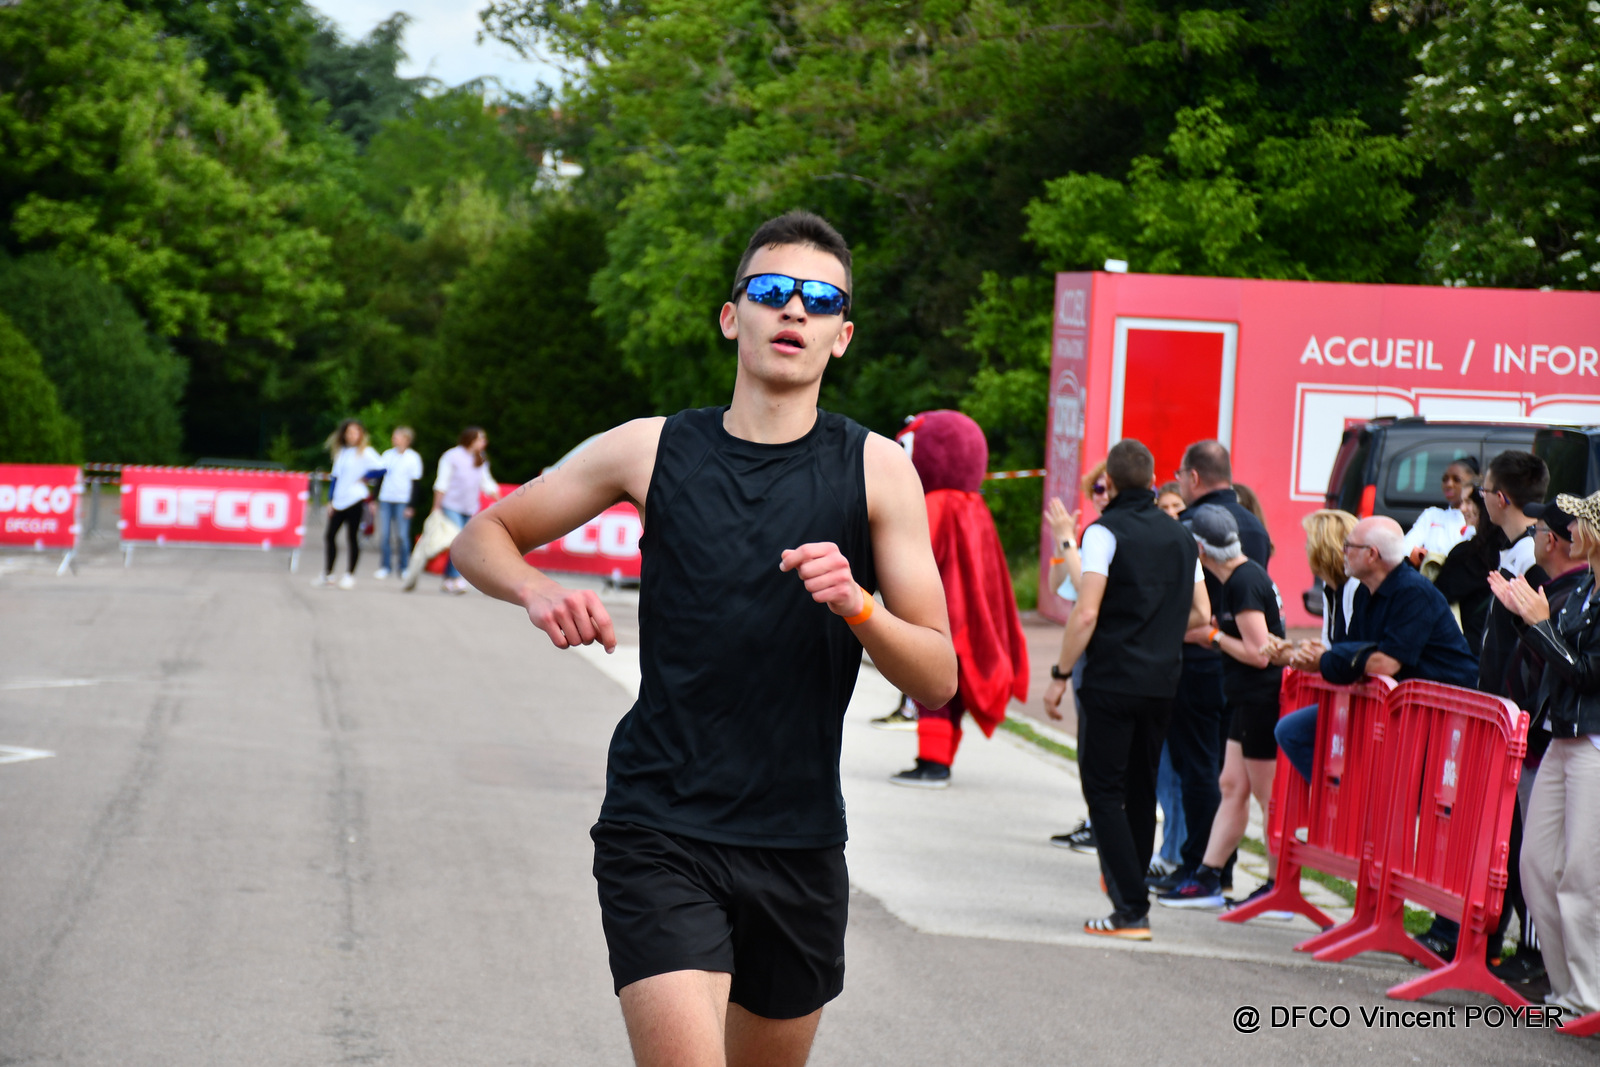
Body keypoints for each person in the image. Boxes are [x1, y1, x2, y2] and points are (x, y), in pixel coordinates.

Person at [448, 211, 957, 1066]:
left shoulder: (877, 470)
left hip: (797, 841)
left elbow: (939, 676)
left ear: (842, 336)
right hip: (660, 824)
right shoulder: (650, 449)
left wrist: (859, 605)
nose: (794, 309)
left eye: (820, 299)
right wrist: (538, 588)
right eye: (772, 290)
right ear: (732, 316)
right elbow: (482, 536)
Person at [1042, 438, 1209, 940]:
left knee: (1103, 791)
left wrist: (1060, 675)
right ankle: (1132, 895)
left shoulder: (1103, 531)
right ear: (1155, 480)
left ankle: (1130, 908)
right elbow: (1201, 613)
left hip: (1111, 679)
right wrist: (1156, 627)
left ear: (1109, 483)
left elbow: (1086, 611)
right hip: (1162, 682)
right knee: (1140, 790)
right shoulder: (1182, 536)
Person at [1488, 490, 1600, 1024]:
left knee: (1581, 875)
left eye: (1579, 522)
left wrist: (1538, 624)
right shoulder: (1582, 588)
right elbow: (1558, 660)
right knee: (1535, 866)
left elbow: (1587, 673)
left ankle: (1588, 997)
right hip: (1561, 737)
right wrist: (1523, 618)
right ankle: (1566, 991)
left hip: (1593, 743)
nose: (1567, 530)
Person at [1147, 440, 1272, 898]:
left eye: (1181, 475)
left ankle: (1197, 867)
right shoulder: (1253, 525)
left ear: (1194, 477)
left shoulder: (1188, 526)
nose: (1179, 483)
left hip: (1197, 660)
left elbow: (1167, 595)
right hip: (1238, 673)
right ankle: (1218, 867)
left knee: (1197, 770)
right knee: (1226, 776)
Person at [887, 410, 1028, 788]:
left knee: (931, 690)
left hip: (942, 615)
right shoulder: (974, 506)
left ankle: (933, 763)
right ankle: (940, 758)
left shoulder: (933, 505)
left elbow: (914, 556)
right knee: (954, 693)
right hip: (973, 617)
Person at [1160, 506, 1286, 910]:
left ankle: (1278, 888)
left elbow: (1260, 654)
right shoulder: (1239, 578)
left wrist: (1212, 636)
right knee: (1231, 786)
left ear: (1200, 549)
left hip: (1261, 700)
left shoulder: (1244, 581)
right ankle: (1208, 878)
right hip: (1245, 700)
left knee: (1269, 799)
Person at [1317, 515, 1477, 689]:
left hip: (1448, 701)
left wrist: (1323, 660)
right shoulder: (1365, 590)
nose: (1343, 551)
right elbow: (1351, 648)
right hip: (1409, 700)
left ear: (1371, 554)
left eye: (1348, 546)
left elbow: (1386, 664)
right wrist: (1319, 654)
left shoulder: (1413, 592)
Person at [1042, 460, 1110, 853]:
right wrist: (1061, 543)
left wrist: (1068, 541)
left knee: (1101, 747)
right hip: (1087, 654)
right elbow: (1060, 584)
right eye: (1096, 489)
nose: (1100, 496)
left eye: (1106, 488)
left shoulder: (1107, 536)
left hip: (1103, 654)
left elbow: (1085, 588)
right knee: (1089, 744)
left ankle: (1103, 826)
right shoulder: (1092, 533)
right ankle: (1095, 819)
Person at [1266, 509, 1359, 783]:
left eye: (1309, 542)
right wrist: (1293, 653)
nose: (1306, 548)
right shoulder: (1332, 588)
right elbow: (1330, 649)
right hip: (1347, 694)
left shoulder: (1354, 587)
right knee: (1289, 730)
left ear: (1323, 547)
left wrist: (1296, 656)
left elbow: (1343, 652)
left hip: (1359, 696)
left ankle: (1335, 796)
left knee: (1290, 731)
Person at [1477, 451, 1549, 690]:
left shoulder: (1532, 556)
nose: (1482, 497)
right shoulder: (1517, 547)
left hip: (1512, 700)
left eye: (1484, 491)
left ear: (1500, 498)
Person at [431, 426, 502, 594]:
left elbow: (486, 481)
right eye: (480, 439)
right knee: (459, 541)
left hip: (469, 508)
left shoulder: (480, 458)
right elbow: (442, 482)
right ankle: (456, 579)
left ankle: (448, 579)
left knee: (459, 543)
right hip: (451, 505)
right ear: (470, 440)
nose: (484, 442)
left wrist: (499, 498)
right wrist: (436, 507)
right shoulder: (451, 456)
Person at [313, 419, 382, 590]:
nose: (352, 435)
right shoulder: (341, 452)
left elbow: (382, 469)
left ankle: (350, 574)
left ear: (361, 434)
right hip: (340, 500)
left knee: (352, 537)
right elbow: (335, 478)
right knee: (330, 536)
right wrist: (331, 500)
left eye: (355, 432)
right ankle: (328, 573)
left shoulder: (366, 452)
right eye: (349, 432)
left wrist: (366, 477)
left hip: (355, 499)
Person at [1432, 486, 1497, 650]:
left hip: (1469, 645)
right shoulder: (1509, 547)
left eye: (1469, 502)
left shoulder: (1469, 554)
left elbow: (1439, 593)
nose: (1462, 508)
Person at [1404, 456, 1479, 564]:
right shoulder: (1432, 515)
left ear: (1473, 483)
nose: (1449, 484)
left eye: (1456, 479)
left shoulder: (1479, 521)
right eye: (1445, 479)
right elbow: (1406, 547)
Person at [374, 425, 423, 579]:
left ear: (406, 439)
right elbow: (379, 478)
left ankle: (404, 567)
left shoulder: (413, 458)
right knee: (385, 535)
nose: (394, 439)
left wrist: (411, 505)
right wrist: (374, 498)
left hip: (403, 501)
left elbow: (416, 484)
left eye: (397, 436)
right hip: (386, 499)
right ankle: (385, 566)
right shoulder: (387, 455)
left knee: (402, 536)